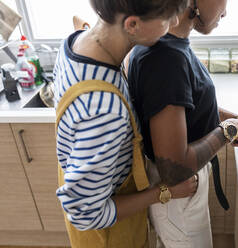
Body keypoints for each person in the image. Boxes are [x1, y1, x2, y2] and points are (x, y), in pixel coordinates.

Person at [127, 0, 238, 247]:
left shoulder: (171, 43)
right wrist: (229, 130)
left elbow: (194, 103)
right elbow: (174, 169)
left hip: (180, 196)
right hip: (179, 195)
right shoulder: (166, 59)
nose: (225, 11)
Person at [53, 0, 193, 247]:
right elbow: (87, 215)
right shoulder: (105, 112)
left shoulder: (77, 41)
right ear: (132, 24)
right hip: (109, 237)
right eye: (168, 18)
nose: (174, 23)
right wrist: (163, 192)